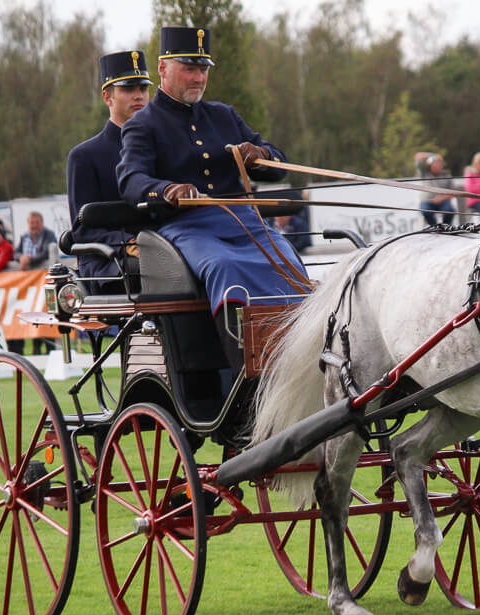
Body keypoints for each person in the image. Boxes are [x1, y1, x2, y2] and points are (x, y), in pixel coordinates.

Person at [116, 26, 308, 367]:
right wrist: (167, 190)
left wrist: (260, 154)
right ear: (162, 69)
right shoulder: (143, 124)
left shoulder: (224, 115)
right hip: (187, 228)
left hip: (246, 222)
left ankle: (304, 355)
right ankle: (246, 367)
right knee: (225, 266)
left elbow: (277, 163)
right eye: (189, 69)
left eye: (203, 69)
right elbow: (132, 179)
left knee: (287, 260)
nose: (199, 78)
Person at [66, 49, 153, 287]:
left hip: (161, 250)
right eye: (128, 89)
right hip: (109, 261)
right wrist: (129, 244)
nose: (138, 96)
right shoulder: (84, 156)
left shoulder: (163, 147)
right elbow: (83, 230)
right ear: (107, 97)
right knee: (154, 271)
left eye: (143, 89)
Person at [414, 152, 455, 226]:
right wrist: (433, 155)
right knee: (425, 211)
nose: (437, 165)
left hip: (443, 201)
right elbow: (418, 156)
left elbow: (453, 193)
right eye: (435, 163)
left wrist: (441, 198)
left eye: (439, 163)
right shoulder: (424, 172)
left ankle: (445, 227)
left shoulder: (447, 175)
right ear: (431, 164)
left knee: (450, 211)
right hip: (427, 201)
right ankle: (435, 227)